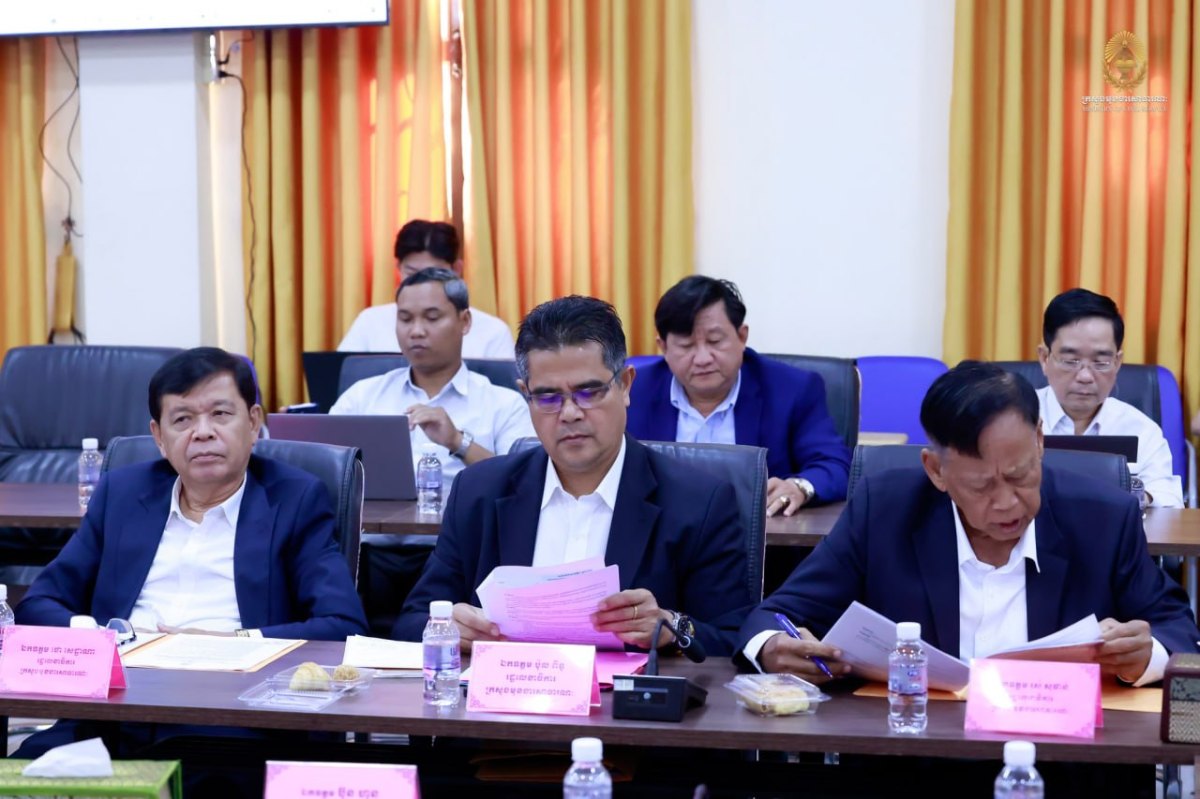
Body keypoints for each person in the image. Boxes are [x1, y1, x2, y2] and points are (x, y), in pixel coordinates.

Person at [737, 362, 1199, 686]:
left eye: (1019, 476)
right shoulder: (886, 510)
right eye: (981, 486)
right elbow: (776, 614)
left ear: (1039, 441)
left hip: (1062, 762)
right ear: (936, 470)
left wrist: (1147, 656)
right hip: (915, 759)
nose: (1006, 503)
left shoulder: (1103, 517)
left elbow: (1177, 630)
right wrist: (772, 645)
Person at [15, 347, 367, 762]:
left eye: (220, 414)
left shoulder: (295, 499)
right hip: (115, 709)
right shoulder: (122, 494)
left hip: (231, 714)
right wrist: (98, 638)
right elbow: (40, 602)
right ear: (159, 437)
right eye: (182, 419)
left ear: (253, 423)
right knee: (24, 774)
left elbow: (341, 624)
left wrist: (234, 644)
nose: (202, 432)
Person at [392, 296, 753, 656]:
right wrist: (447, 627)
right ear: (526, 395)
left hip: (625, 694)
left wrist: (672, 627)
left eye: (589, 392)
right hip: (505, 690)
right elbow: (411, 622)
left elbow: (734, 641)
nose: (569, 413)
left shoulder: (698, 502)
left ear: (625, 385)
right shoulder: (479, 492)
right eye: (548, 397)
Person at [627, 276, 850, 517]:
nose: (703, 358)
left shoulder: (792, 389)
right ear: (663, 347)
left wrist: (799, 487)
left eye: (714, 341)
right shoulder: (631, 393)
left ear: (742, 337)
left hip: (759, 535)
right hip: (661, 534)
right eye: (686, 345)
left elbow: (834, 466)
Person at [330, 267, 533, 483]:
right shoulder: (362, 397)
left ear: (465, 322)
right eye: (405, 319)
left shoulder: (505, 405)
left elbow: (521, 483)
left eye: (432, 318)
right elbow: (325, 466)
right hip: (373, 506)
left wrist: (457, 442)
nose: (416, 331)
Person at [1036, 288, 1182, 507]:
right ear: (1045, 359)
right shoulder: (1015, 419)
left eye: (1100, 362)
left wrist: (1134, 493)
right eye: (1070, 361)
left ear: (1117, 363)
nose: (1085, 376)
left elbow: (1170, 501)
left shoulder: (1140, 429)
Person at [338, 219, 515, 358]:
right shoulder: (370, 322)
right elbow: (339, 382)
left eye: (433, 274)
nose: (422, 283)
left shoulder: (493, 332)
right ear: (398, 267)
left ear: (456, 270)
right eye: (412, 273)